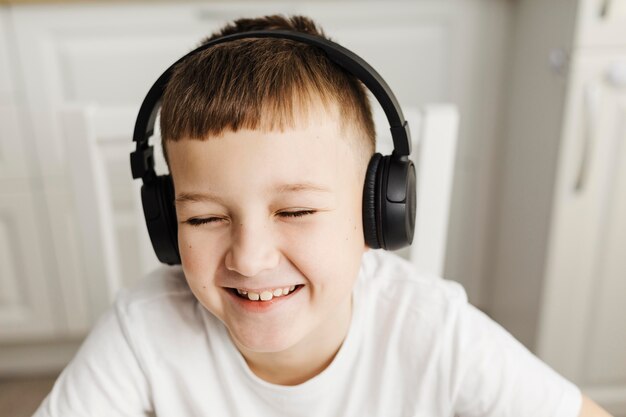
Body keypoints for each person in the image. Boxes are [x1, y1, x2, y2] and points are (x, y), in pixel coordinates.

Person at [34, 14, 611, 417]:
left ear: (377, 214)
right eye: (205, 219)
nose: (251, 258)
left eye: (296, 209)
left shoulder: (433, 329)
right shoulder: (144, 330)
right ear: (166, 223)